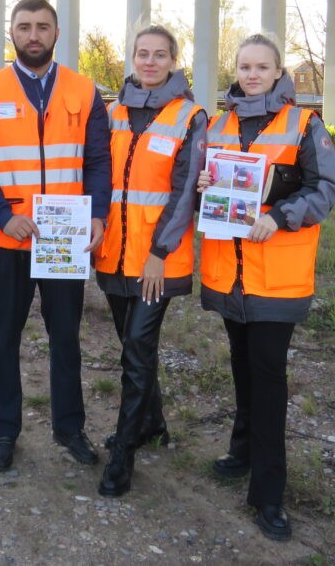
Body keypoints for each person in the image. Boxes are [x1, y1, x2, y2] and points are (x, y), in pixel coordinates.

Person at [196, 33, 335, 541]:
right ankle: (241, 452)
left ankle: (269, 491)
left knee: (269, 377)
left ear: (280, 73)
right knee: (241, 367)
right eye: (244, 66)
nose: (252, 74)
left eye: (262, 66)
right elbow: (204, 188)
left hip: (276, 278)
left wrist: (280, 216)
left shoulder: (305, 124)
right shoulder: (217, 124)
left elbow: (325, 189)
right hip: (228, 274)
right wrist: (202, 189)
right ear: (235, 70)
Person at [0, 0, 112, 473]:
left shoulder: (85, 91)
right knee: (4, 335)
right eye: (24, 26)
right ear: (11, 32)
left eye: (42, 27)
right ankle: (3, 431)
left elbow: (98, 161)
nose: (33, 35)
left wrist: (99, 215)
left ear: (56, 33)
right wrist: (4, 215)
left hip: (64, 239)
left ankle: (70, 428)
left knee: (65, 336)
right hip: (6, 237)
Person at [94, 25, 206, 497]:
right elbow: (99, 176)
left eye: (160, 55)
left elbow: (185, 192)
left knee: (138, 347)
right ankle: (153, 422)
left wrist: (159, 253)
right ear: (132, 58)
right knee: (132, 346)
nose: (150, 62)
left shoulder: (190, 116)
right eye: (142, 54)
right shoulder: (114, 111)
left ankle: (124, 453)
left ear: (173, 60)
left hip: (158, 261)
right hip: (113, 255)